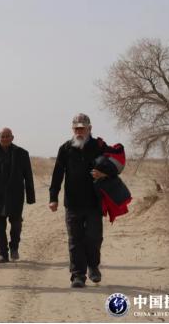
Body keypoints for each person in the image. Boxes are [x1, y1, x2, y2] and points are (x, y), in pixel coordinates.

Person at [48, 113, 109, 288]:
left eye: (82, 128)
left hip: (94, 202)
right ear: (72, 129)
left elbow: (115, 166)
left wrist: (104, 173)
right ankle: (78, 275)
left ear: (90, 128)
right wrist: (53, 198)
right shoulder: (65, 148)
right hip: (73, 202)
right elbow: (57, 175)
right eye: (76, 128)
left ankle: (93, 266)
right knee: (75, 239)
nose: (79, 131)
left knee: (94, 238)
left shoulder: (99, 147)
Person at [0, 128, 35, 263]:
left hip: (16, 194)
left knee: (16, 223)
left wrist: (31, 196)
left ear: (12, 137)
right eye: (3, 136)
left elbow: (28, 176)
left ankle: (14, 248)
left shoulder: (22, 153)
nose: (5, 138)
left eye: (8, 136)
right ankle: (3, 253)